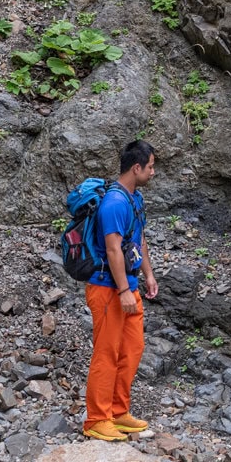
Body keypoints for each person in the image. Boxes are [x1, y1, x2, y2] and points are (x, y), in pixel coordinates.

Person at [83, 140, 158, 442]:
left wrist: (149, 276)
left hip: (130, 286)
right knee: (107, 353)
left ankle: (118, 411)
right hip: (108, 288)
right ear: (136, 167)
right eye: (151, 166)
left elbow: (138, 242)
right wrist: (124, 290)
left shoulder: (134, 199)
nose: (153, 172)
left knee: (132, 349)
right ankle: (97, 419)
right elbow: (114, 250)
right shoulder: (114, 203)